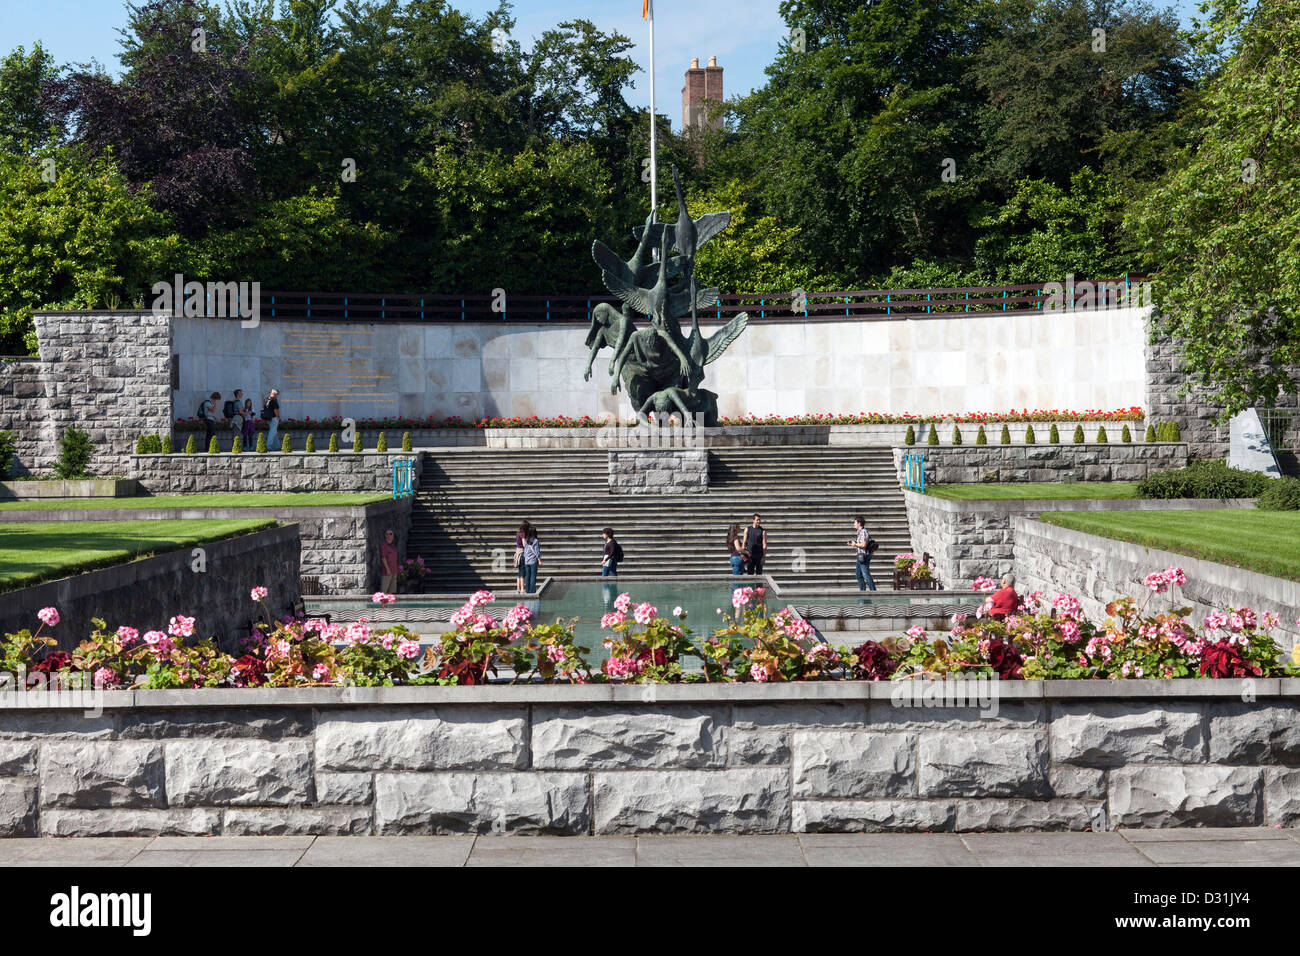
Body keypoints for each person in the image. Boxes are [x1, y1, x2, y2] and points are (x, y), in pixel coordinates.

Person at [847, 515, 877, 591]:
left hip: (864, 556)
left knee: (866, 575)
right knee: (858, 575)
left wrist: (855, 544)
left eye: (855, 523)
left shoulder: (864, 532)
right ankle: (862, 591)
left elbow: (863, 545)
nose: (854, 524)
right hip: (860, 556)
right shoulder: (859, 532)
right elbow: (861, 543)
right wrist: (854, 543)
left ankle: (873, 591)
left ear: (859, 523)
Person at [521, 525, 541, 594]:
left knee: (527, 576)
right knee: (533, 576)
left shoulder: (526, 540)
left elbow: (525, 550)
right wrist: (539, 559)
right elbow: (537, 551)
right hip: (533, 560)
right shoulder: (535, 541)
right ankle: (532, 591)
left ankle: (527, 590)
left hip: (527, 560)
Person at [379, 528, 399, 593]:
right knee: (384, 591)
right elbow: (383, 558)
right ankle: (382, 603)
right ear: (385, 535)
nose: (389, 535)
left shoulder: (393, 546)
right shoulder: (384, 546)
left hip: (394, 570)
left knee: (391, 591)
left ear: (393, 535)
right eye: (387, 534)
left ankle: (390, 603)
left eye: (391, 534)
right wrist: (387, 569)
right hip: (387, 572)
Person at [514, 520, 530, 592]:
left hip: (518, 552)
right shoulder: (522, 534)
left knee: (519, 572)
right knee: (523, 572)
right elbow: (524, 544)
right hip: (522, 553)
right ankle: (522, 588)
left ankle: (518, 588)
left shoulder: (518, 533)